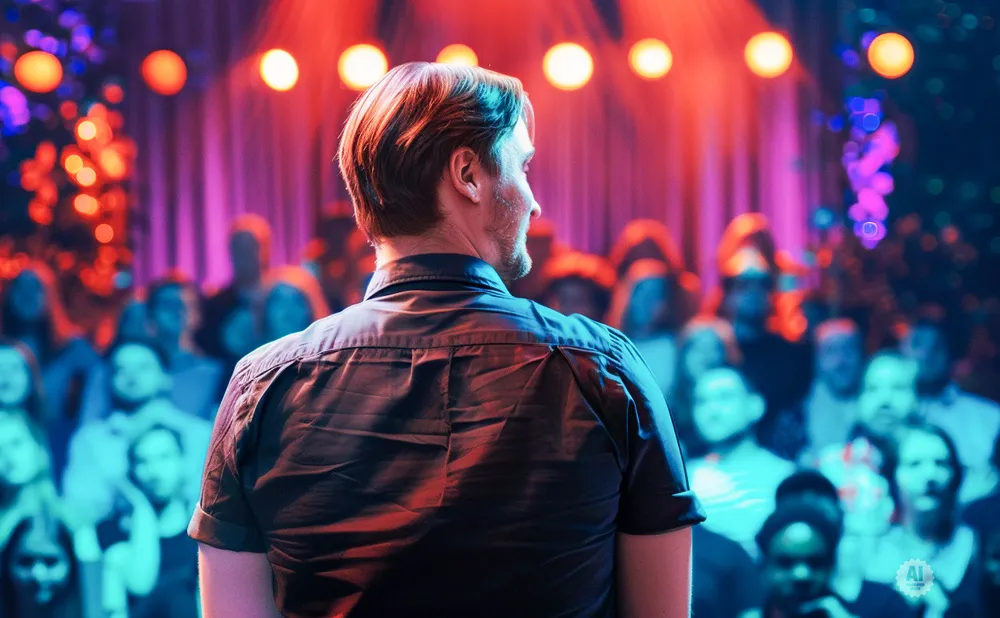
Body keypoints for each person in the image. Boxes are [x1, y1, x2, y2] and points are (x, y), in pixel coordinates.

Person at [190, 62, 704, 618]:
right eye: (523, 166)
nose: (533, 202)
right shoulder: (603, 370)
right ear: (468, 174)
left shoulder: (264, 385)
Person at [63, 340, 211, 525]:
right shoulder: (90, 439)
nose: (131, 376)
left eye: (143, 367)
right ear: (109, 381)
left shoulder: (201, 434)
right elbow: (80, 508)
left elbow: (212, 502)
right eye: (121, 369)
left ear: (166, 377)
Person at [685, 365, 795, 556]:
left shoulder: (785, 476)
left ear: (756, 406)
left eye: (725, 397)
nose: (712, 410)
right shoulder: (683, 480)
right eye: (701, 402)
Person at [901, 313, 1000, 503]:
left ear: (950, 353)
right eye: (917, 345)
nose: (925, 355)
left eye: (935, 347)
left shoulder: (989, 418)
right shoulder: (887, 417)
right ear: (901, 351)